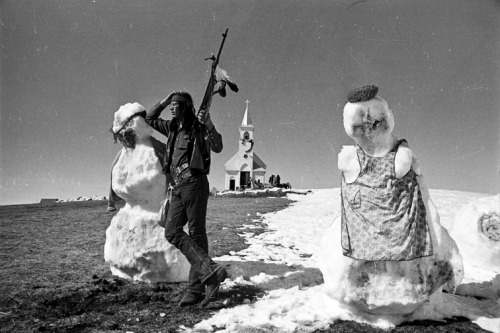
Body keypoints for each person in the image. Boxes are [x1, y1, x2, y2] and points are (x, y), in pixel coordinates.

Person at [145, 91, 228, 307]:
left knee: (197, 233)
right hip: (178, 187)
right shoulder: (171, 127)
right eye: (170, 105)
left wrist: (208, 124)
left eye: (175, 104)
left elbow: (218, 146)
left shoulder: (197, 127)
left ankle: (195, 289)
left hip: (195, 184)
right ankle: (210, 272)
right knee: (171, 231)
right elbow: (150, 118)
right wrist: (164, 99)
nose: (172, 108)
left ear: (184, 107)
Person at [338, 85, 432, 261]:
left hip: (388, 230)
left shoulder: (400, 152)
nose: (369, 126)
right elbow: (415, 169)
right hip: (381, 230)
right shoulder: (355, 156)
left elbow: (410, 168)